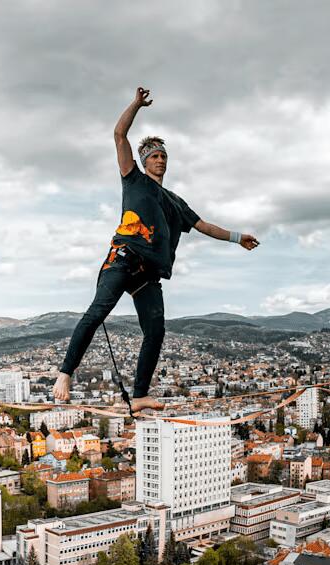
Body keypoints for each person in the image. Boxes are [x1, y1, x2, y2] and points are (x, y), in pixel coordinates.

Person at [52, 87, 260, 413]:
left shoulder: (176, 202)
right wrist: (136, 104)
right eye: (154, 156)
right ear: (144, 161)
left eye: (163, 156)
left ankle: (139, 396)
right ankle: (65, 373)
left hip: (148, 274)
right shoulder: (133, 179)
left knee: (156, 330)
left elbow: (204, 226)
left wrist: (237, 237)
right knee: (97, 312)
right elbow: (119, 135)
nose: (160, 160)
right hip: (123, 259)